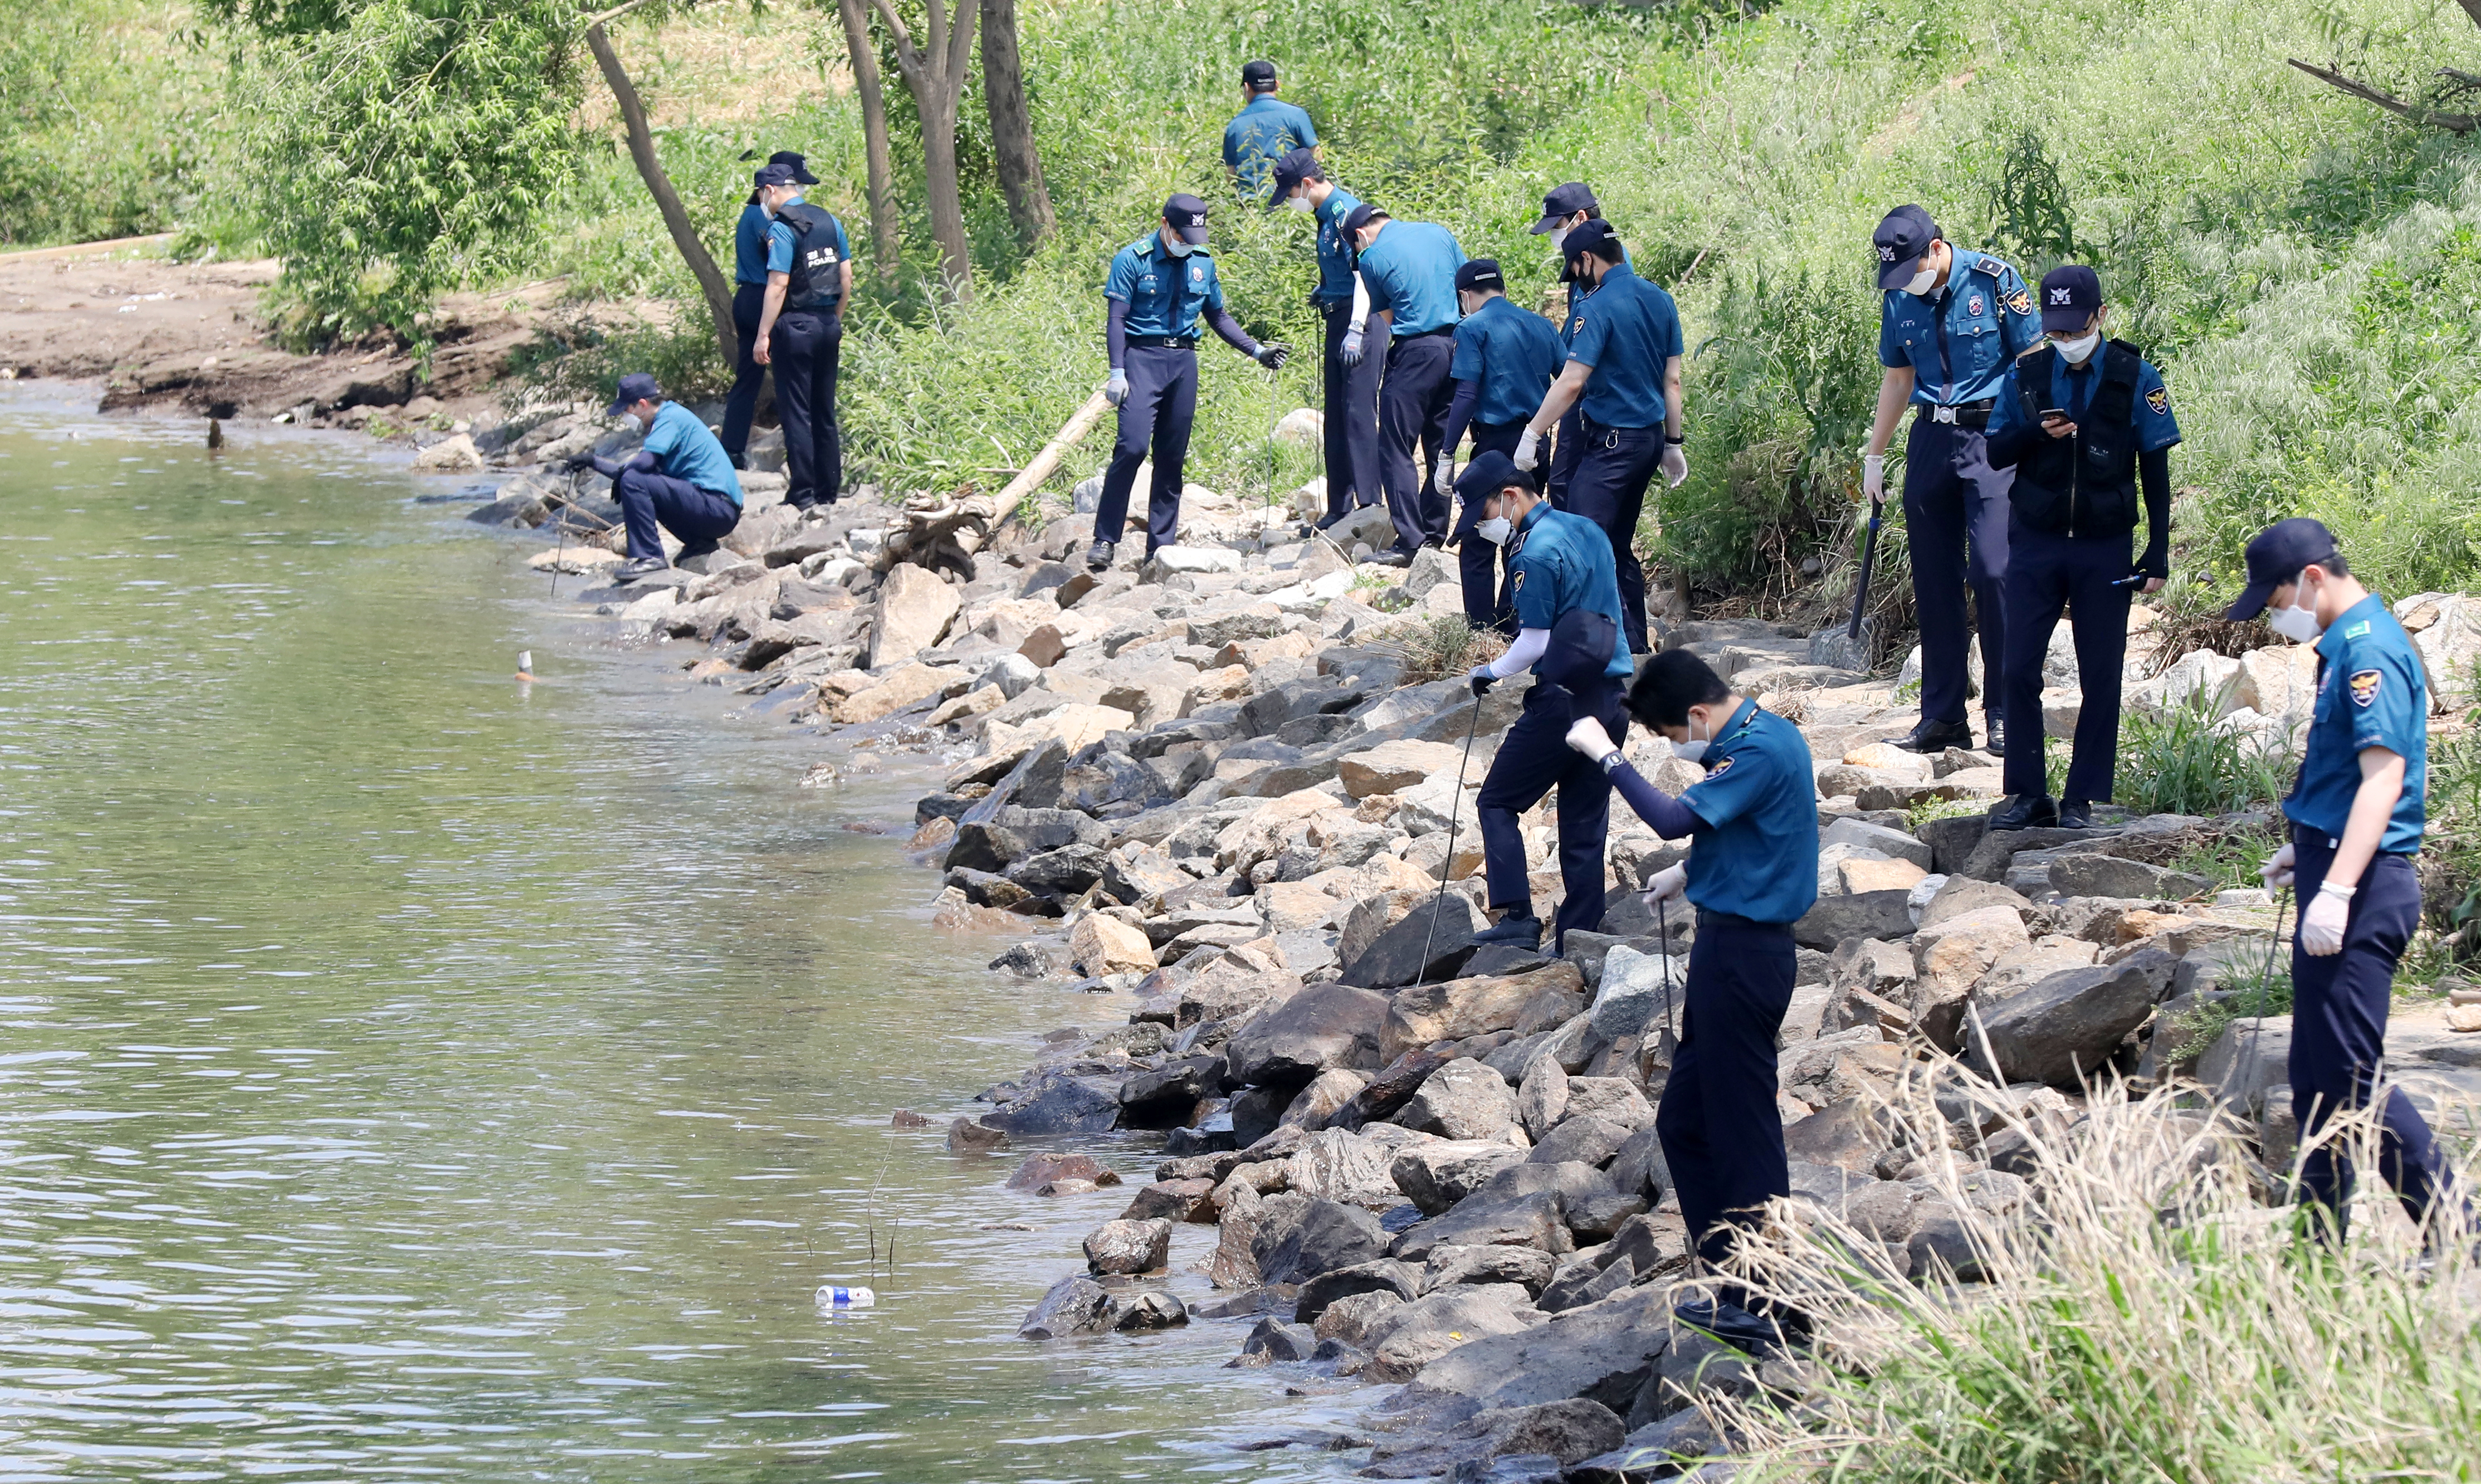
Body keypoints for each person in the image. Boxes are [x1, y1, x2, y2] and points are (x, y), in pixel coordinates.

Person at [1562, 647, 1818, 1352]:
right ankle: (1735, 1286)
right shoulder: (1754, 734)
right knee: (1684, 1125)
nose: (1682, 749)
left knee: (1743, 1131)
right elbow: (1743, 829)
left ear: (1698, 714)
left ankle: (1777, 1305)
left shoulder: (1758, 748)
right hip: (1722, 946)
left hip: (1747, 953)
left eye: (1676, 738)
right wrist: (1687, 872)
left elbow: (1675, 816)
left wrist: (1607, 758)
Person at [2229, 518, 2467, 1244]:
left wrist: (2334, 888)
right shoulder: (2343, 646)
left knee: (2351, 1077)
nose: (2274, 620)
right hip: (2336, 869)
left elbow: (2382, 777)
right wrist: (2306, 854)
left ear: (2310, 578)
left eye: (2271, 603)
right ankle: (2315, 1240)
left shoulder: (2367, 651)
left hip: (2362, 890)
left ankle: (2455, 1226)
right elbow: (2342, 780)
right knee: (2314, 1074)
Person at [1982, 265, 2180, 831]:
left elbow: (2155, 469)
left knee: (2101, 673)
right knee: (2016, 668)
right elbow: (1995, 453)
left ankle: (2080, 798)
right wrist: (2033, 433)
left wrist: (2157, 551)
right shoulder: (2025, 375)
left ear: (2099, 316)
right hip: (2036, 542)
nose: (2066, 341)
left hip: (2104, 545)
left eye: (2075, 329)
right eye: (2056, 331)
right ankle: (2025, 793)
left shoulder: (2134, 376)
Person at [1862, 204, 2043, 755]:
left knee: (1993, 572)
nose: (1906, 283)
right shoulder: (1899, 293)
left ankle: (2005, 713)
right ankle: (1941, 718)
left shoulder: (1993, 279)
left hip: (1992, 434)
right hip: (1930, 440)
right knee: (1933, 581)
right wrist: (1873, 455)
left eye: (1912, 269)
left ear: (1935, 249)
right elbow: (1898, 377)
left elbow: (2032, 357)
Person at [1458, 450, 1635, 953]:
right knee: (1583, 824)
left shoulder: (1531, 553)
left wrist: (1487, 673)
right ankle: (1580, 938)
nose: (1484, 527)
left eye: (1485, 514)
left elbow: (1534, 642)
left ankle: (1517, 916)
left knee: (1496, 802)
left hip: (1563, 703)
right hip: (1613, 699)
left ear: (1511, 496)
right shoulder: (1587, 530)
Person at [1092, 194, 1290, 570]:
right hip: (1141, 359)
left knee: (1171, 457)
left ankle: (1160, 548)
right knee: (1132, 447)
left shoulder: (1202, 262)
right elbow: (1116, 319)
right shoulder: (1132, 260)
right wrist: (1117, 370)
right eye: (1183, 235)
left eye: (1194, 236)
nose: (1188, 242)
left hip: (1183, 362)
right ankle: (1105, 539)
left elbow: (1217, 316)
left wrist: (1258, 351)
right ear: (1165, 224)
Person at [1513, 221, 1684, 655]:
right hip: (1647, 441)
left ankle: (1599, 651)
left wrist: (1534, 432)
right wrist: (1673, 442)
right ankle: (1634, 646)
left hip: (1613, 443)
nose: (1578, 280)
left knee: (1585, 545)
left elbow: (1572, 382)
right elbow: (1674, 382)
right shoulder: (1660, 299)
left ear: (1587, 259)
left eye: (1575, 269)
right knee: (1618, 544)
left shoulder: (1599, 306)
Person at [1437, 258, 1564, 632]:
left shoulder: (1472, 328)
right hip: (1537, 443)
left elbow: (1466, 393)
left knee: (1477, 544)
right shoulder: (1542, 325)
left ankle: (1480, 632)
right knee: (1519, 534)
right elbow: (1570, 381)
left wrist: (1447, 453)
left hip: (1496, 448)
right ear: (1503, 289)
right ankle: (1513, 625)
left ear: (1465, 295)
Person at [1347, 204, 1466, 565]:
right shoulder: (1438, 231)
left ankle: (1410, 542)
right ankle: (1434, 534)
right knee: (1440, 446)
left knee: (1395, 445)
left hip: (1416, 351)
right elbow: (1466, 287)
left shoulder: (1372, 256)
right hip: (1458, 346)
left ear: (1360, 235)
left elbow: (1386, 317)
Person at [1271, 148, 1381, 529]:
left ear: (1306, 184)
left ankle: (1370, 505)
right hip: (1339, 317)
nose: (1290, 202)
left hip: (1362, 321)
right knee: (1336, 415)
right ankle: (1339, 508)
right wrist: (1326, 289)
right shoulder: (1323, 217)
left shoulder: (1348, 214)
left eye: (1289, 193)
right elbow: (1341, 271)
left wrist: (1356, 327)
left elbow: (1367, 276)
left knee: (1358, 413)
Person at [748, 162, 853, 511]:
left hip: (795, 327)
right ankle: (829, 490)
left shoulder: (782, 228)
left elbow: (778, 284)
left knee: (797, 412)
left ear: (770, 191)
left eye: (763, 195)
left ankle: (804, 493)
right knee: (824, 410)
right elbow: (846, 277)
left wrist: (763, 335)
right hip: (827, 324)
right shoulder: (830, 220)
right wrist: (833, 319)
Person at [565, 373, 742, 581]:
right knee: (636, 480)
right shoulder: (669, 417)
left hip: (717, 508)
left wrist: (623, 476)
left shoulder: (669, 418)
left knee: (633, 480)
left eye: (627, 410)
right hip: (717, 511)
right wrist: (592, 461)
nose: (626, 416)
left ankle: (650, 557)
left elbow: (643, 466)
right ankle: (699, 543)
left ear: (642, 404)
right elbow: (644, 472)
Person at [719, 150, 818, 470]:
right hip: (767, 302)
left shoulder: (750, 213)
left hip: (747, 298)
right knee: (792, 377)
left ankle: (732, 450)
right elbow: (781, 272)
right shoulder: (770, 219)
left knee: (747, 378)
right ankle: (801, 452)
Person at [1527, 181, 1614, 507]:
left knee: (1566, 478)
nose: (1555, 236)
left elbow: (1591, 331)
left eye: (1558, 226)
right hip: (1578, 383)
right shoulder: (1583, 257)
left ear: (1580, 217)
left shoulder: (1605, 264)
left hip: (1588, 389)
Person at [1223, 60, 1316, 196]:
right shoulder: (1296, 115)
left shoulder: (1235, 126)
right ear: (1277, 85)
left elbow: (1231, 175)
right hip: (1292, 202)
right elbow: (1316, 156)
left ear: (1247, 87)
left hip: (1252, 205)